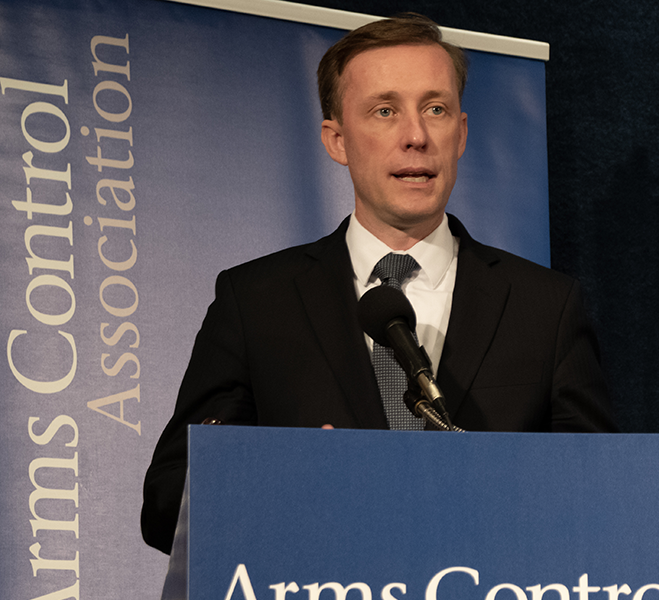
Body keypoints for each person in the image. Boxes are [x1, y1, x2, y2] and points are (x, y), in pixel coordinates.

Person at [141, 13, 616, 555]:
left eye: (435, 109)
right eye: (385, 111)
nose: (415, 136)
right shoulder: (256, 302)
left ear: (460, 134)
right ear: (337, 139)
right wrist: (281, 482)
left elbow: (600, 496)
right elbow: (163, 505)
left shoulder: (545, 308)